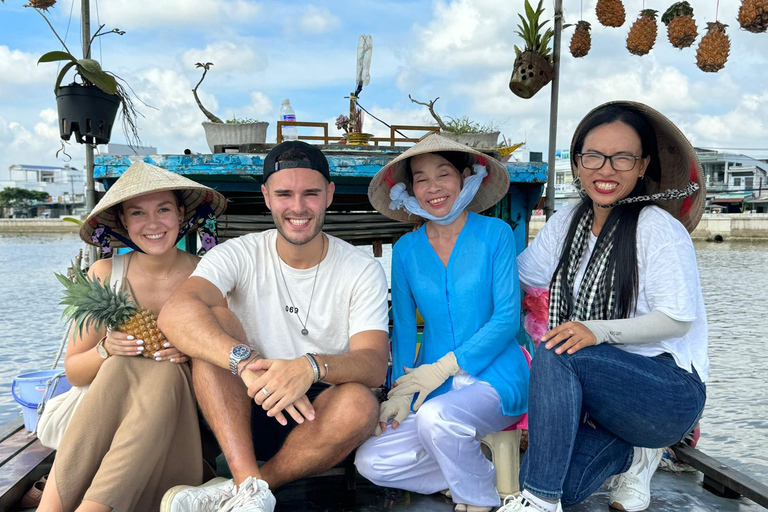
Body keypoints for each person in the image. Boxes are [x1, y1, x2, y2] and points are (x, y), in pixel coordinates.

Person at [157, 140, 390, 512]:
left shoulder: (361, 269)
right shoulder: (237, 253)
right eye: (284, 194)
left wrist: (307, 368)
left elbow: (375, 364)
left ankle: (252, 489)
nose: (298, 207)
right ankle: (247, 477)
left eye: (310, 193)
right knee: (215, 319)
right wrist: (248, 365)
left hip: (316, 416)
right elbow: (175, 311)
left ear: (329, 194)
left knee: (361, 403)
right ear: (266, 197)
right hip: (241, 404)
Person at [499, 101, 708, 512]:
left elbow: (677, 320)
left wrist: (597, 331)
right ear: (577, 163)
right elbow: (519, 278)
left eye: (622, 158)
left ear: (643, 165)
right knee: (568, 485)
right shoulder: (567, 221)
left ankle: (538, 502)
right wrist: (472, 242)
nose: (606, 169)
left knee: (558, 349)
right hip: (603, 401)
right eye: (593, 156)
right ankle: (634, 454)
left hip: (666, 395)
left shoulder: (657, 227)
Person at [37, 161, 227, 512]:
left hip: (184, 425)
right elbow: (75, 372)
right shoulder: (105, 273)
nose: (152, 224)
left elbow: (230, 351)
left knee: (166, 371)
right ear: (124, 221)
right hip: (110, 420)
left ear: (181, 213)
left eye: (163, 209)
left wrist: (193, 352)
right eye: (138, 213)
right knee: (117, 366)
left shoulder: (209, 274)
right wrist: (106, 349)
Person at [355, 134, 530, 512]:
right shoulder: (405, 250)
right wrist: (399, 391)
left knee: (439, 417)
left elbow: (506, 319)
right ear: (409, 189)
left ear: (467, 177)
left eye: (444, 174)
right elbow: (400, 327)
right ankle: (467, 471)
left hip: (497, 378)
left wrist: (447, 366)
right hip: (429, 386)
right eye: (420, 178)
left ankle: (477, 495)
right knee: (370, 460)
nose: (433, 188)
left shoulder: (495, 235)